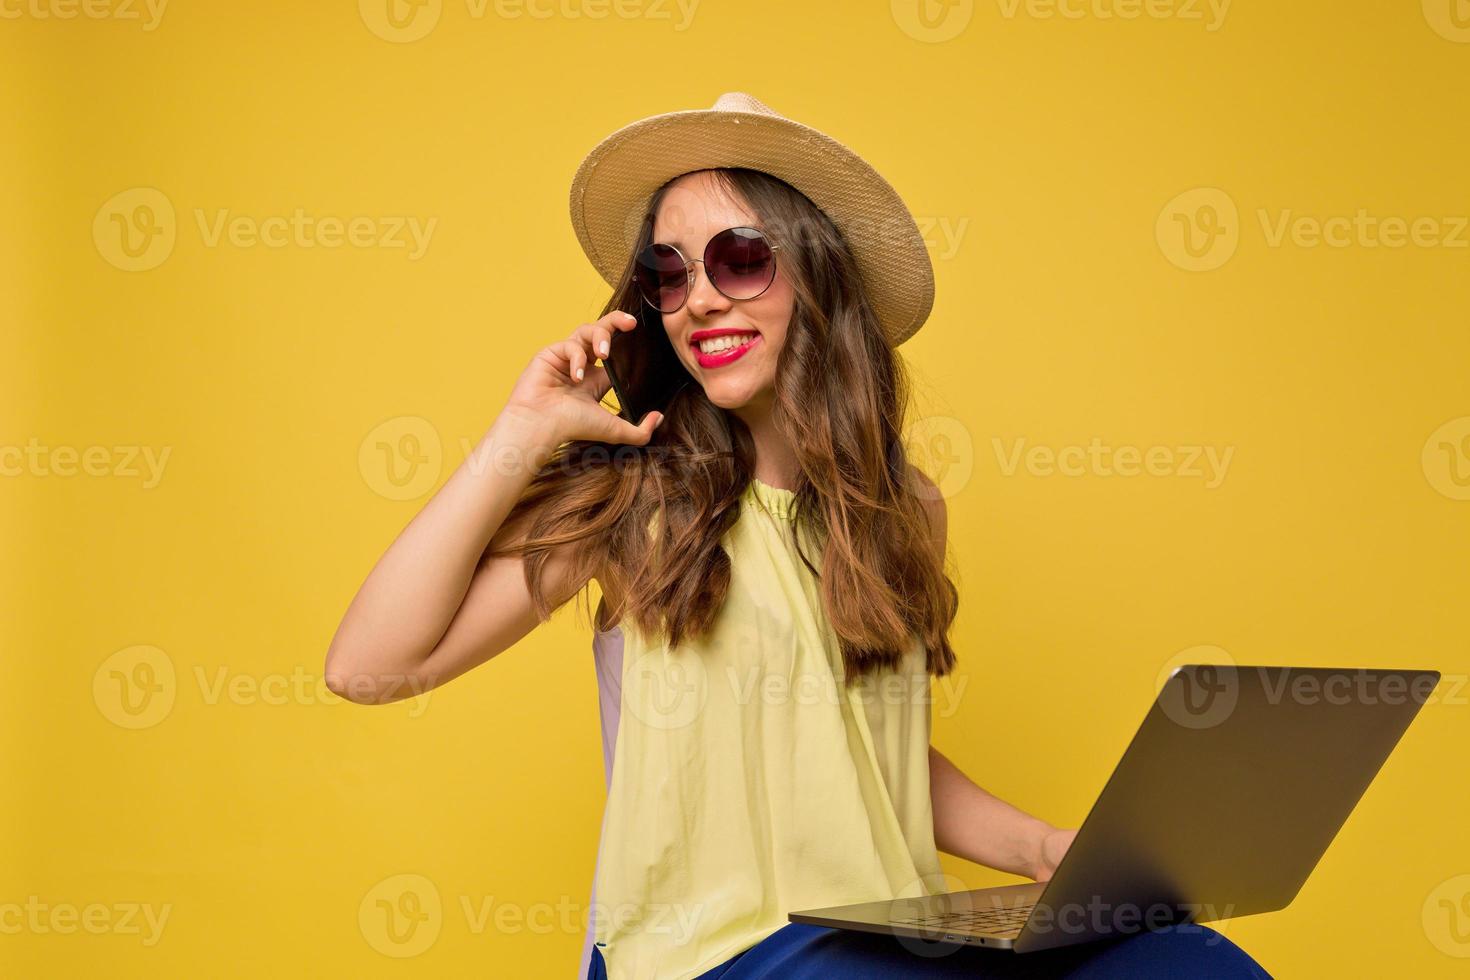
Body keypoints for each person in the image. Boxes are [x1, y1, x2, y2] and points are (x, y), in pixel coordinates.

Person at [325, 93, 1270, 980]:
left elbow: (866, 754)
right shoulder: (634, 501)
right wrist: (520, 433)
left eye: (738, 258)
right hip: (705, 956)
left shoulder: (905, 511)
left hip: (887, 941)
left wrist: (1047, 852)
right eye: (668, 272)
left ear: (817, 276)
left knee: (1196, 964)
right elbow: (367, 666)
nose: (698, 299)